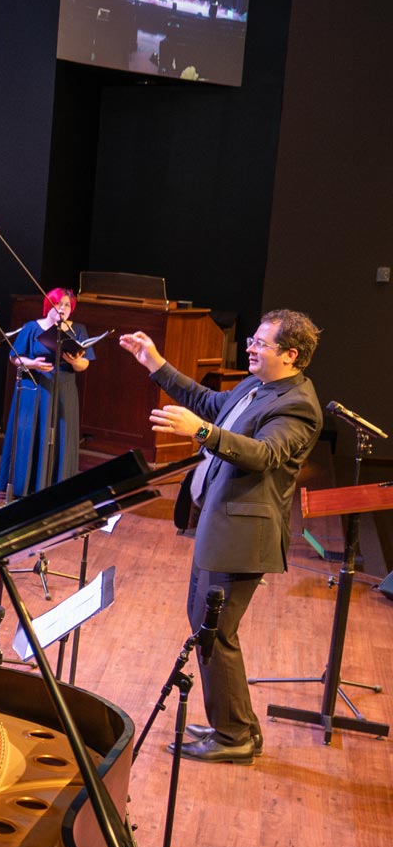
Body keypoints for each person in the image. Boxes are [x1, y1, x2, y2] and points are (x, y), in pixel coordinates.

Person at [119, 312, 323, 764]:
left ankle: (233, 737)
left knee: (215, 633)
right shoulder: (257, 386)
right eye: (252, 338)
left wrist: (203, 433)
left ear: (290, 355)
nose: (250, 347)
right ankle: (237, 724)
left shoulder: (298, 405)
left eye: (262, 343)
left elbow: (264, 454)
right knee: (207, 627)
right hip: (220, 526)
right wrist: (155, 363)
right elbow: (209, 404)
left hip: (243, 536)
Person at [0, 287, 91, 496]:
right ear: (49, 305)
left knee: (60, 435)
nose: (63, 309)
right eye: (59, 304)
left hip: (64, 390)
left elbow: (84, 364)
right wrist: (32, 363)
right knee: (30, 433)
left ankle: (55, 488)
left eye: (67, 305)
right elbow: (15, 357)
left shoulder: (79, 330)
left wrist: (74, 361)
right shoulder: (32, 327)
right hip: (36, 389)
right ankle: (25, 486)